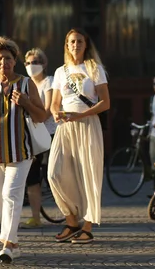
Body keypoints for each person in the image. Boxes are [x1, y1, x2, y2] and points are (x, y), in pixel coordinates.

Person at [0, 37, 48, 263]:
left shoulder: (26, 84)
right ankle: (12, 243)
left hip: (20, 152)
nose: (4, 62)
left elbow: (42, 116)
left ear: (15, 61)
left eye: (8, 58)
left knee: (11, 194)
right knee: (1, 199)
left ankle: (7, 243)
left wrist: (25, 102)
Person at [49, 28, 110, 245]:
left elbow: (105, 102)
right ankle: (71, 220)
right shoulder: (59, 72)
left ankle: (87, 227)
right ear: (67, 45)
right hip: (65, 127)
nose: (75, 45)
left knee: (88, 175)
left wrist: (80, 114)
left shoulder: (95, 69)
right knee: (54, 173)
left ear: (86, 45)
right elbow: (55, 102)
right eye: (72, 42)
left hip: (87, 124)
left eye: (80, 41)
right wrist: (56, 111)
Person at [22, 47, 55, 229]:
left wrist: (36, 115)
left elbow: (48, 109)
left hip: (50, 133)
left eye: (35, 62)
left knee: (53, 175)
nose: (31, 66)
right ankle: (36, 217)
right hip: (32, 135)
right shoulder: (25, 84)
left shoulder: (49, 82)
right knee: (32, 176)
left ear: (43, 64)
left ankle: (72, 211)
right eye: (27, 63)